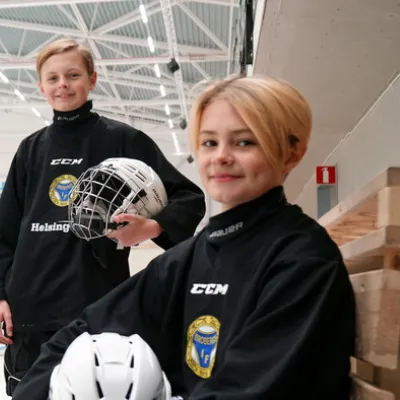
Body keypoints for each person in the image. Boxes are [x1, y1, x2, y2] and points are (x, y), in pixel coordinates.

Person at [12, 75, 355, 400]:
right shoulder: (191, 259)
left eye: (244, 141)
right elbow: (85, 328)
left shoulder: (303, 261)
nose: (220, 155)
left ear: (292, 152)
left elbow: (253, 390)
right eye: (209, 142)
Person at [0, 38, 205, 396]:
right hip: (29, 313)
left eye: (73, 75)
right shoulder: (30, 149)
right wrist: (0, 295)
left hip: (95, 307)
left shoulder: (123, 140)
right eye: (53, 78)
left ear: (92, 80)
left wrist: (153, 226)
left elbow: (189, 196)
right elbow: (4, 232)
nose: (62, 84)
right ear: (41, 86)